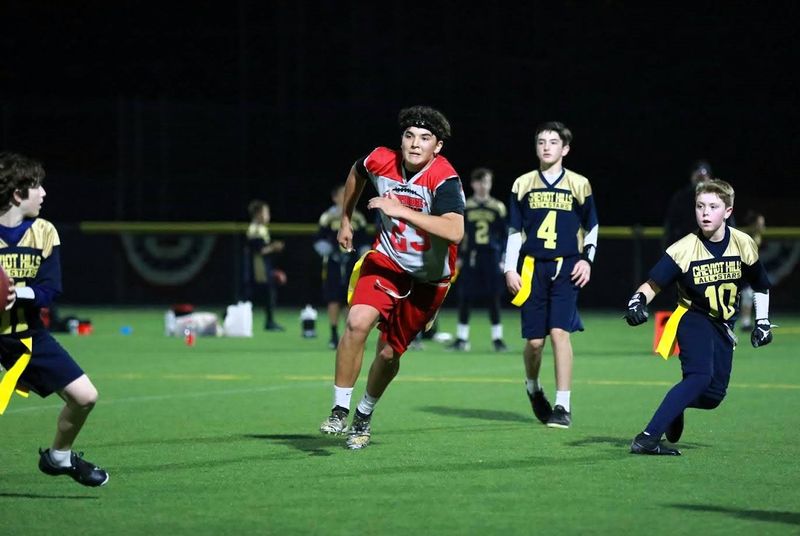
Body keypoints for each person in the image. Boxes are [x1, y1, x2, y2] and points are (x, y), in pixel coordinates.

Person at [318, 105, 465, 450]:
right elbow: (356, 173)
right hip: (388, 260)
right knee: (356, 322)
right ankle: (340, 407)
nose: (415, 144)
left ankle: (364, 415)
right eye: (409, 136)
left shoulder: (444, 178)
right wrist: (345, 219)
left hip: (429, 279)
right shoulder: (381, 160)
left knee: (387, 354)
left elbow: (455, 231)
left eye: (425, 138)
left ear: (437, 147)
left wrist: (402, 211)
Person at [625, 178, 773, 456]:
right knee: (700, 376)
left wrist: (762, 321)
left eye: (713, 207)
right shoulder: (683, 248)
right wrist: (637, 301)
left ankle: (674, 407)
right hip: (693, 317)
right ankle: (647, 438)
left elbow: (760, 283)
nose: (705, 213)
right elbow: (652, 284)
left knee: (713, 397)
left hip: (723, 325)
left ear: (728, 211)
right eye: (700, 206)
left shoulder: (743, 243)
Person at [0, 151, 108, 486]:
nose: (44, 193)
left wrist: (19, 294)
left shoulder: (45, 232)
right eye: (37, 186)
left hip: (26, 336)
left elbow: (50, 289)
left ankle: (59, 456)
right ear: (18, 194)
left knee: (85, 397)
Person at [503, 121, 598, 429]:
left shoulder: (579, 184)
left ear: (565, 149)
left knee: (559, 332)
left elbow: (592, 226)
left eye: (553, 142)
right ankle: (532, 387)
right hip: (533, 268)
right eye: (541, 141)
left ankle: (563, 405)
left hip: (567, 266)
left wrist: (587, 260)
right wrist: (509, 267)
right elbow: (515, 230)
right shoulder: (523, 183)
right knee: (534, 343)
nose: (546, 146)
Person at [447, 167, 509, 352]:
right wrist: (458, 257)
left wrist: (504, 257)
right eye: (480, 181)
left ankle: (497, 339)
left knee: (494, 297)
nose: (483, 186)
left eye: (486, 182)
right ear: (473, 184)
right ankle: (462, 338)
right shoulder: (466, 206)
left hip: (491, 256)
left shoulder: (497, 207)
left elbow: (504, 235)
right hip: (471, 256)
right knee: (465, 296)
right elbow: (459, 233)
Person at [313, 184, 370, 349]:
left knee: (351, 299)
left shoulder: (357, 217)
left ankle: (350, 334)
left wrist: (362, 256)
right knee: (333, 298)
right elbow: (318, 239)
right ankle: (333, 334)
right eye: (342, 195)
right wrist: (330, 252)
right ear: (335, 198)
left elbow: (364, 241)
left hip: (352, 263)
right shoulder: (327, 217)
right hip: (333, 262)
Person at [244, 199, 285, 331]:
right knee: (261, 293)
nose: (268, 215)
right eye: (265, 212)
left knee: (262, 293)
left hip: (263, 265)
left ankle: (269, 321)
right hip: (258, 267)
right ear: (258, 214)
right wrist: (274, 247)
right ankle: (269, 321)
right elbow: (260, 250)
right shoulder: (255, 229)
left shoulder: (260, 228)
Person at [663, 160, 713, 248]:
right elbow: (671, 227)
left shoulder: (718, 198)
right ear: (691, 177)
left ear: (709, 178)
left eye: (702, 178)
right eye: (698, 177)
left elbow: (729, 226)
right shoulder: (681, 197)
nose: (700, 180)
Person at [737, 209, 766, 331]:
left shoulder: (757, 235)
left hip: (750, 268)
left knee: (748, 295)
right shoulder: (746, 235)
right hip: (741, 268)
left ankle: (746, 322)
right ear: (754, 224)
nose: (762, 226)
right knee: (746, 294)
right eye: (760, 223)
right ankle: (744, 322)